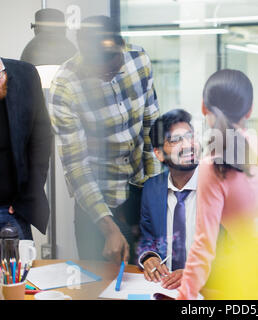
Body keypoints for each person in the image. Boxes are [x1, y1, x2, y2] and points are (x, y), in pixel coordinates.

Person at [48, 16, 161, 264]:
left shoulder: (138, 59)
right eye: (103, 71)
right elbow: (77, 165)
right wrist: (109, 229)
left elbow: (151, 128)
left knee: (148, 278)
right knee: (99, 284)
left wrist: (155, 193)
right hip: (97, 202)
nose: (111, 74)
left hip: (139, 192)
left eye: (115, 66)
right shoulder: (65, 87)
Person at [177, 69, 258, 300]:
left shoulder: (213, 164)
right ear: (249, 111)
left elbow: (203, 247)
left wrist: (184, 298)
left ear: (203, 108)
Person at [137, 109, 201, 290]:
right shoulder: (152, 189)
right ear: (159, 154)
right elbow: (147, 238)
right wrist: (149, 257)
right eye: (175, 140)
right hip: (164, 287)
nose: (188, 144)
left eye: (190, 136)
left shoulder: (222, 186)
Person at [0, 57, 52, 238]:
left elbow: (42, 139)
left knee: (22, 267)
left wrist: (28, 195)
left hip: (11, 212)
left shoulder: (25, 75)